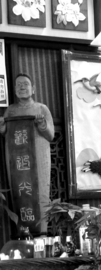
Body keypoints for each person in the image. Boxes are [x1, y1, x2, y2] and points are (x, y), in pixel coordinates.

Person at [0, 72, 54, 231]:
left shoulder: (41, 108)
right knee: (19, 192)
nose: (22, 87)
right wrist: (2, 127)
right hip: (18, 161)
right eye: (18, 85)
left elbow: (51, 135)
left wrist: (42, 124)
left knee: (40, 192)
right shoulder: (11, 111)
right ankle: (22, 233)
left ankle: (42, 232)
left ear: (33, 89)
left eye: (25, 84)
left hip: (38, 157)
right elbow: (5, 133)